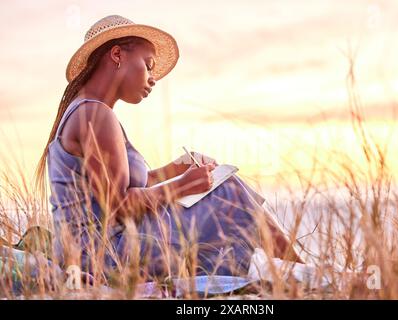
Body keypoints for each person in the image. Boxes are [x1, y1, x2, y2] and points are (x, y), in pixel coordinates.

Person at [34, 15, 300, 282]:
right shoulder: (95, 114)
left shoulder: (89, 111)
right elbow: (119, 207)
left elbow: (120, 187)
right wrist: (184, 185)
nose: (152, 79)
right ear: (117, 55)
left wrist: (176, 168)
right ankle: (301, 273)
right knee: (229, 193)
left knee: (229, 192)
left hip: (96, 251)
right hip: (103, 256)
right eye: (148, 66)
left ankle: (295, 271)